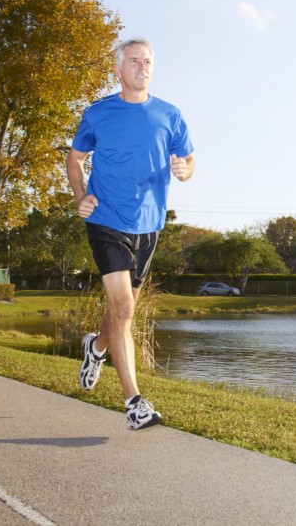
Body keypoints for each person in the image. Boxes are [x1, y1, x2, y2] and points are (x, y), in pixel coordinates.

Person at [66, 37, 194, 430]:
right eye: (134, 61)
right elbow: (74, 159)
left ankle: (96, 346)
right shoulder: (98, 113)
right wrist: (81, 195)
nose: (142, 66)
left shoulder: (169, 114)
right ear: (118, 70)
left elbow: (188, 159)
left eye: (148, 61)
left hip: (149, 225)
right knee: (122, 309)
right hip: (105, 219)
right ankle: (134, 402)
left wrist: (185, 170)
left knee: (124, 310)